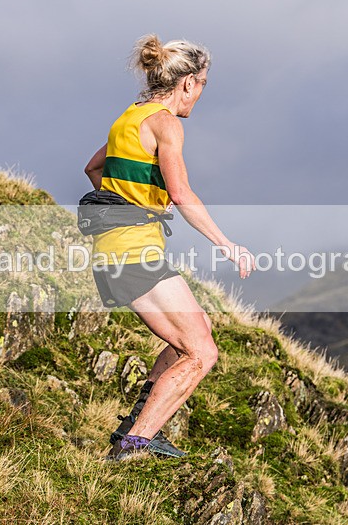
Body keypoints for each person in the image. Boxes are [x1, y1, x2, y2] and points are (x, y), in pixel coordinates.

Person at [83, 34, 256, 460]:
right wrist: (227, 244)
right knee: (202, 353)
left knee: (196, 338)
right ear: (187, 84)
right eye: (202, 86)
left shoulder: (129, 117)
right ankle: (133, 445)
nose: (199, 96)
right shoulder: (166, 123)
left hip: (114, 249)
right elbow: (181, 194)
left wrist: (122, 207)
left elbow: (93, 168)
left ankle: (136, 427)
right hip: (133, 251)